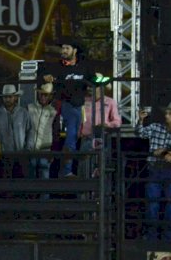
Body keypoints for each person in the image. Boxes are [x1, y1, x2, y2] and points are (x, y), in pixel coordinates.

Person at [40, 37, 95, 177]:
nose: (63, 51)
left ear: (74, 51)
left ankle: (66, 171)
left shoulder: (85, 66)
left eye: (67, 48)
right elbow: (41, 75)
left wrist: (96, 84)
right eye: (62, 48)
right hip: (60, 104)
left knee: (73, 138)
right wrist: (45, 77)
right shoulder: (56, 66)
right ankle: (64, 171)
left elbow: (95, 81)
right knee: (64, 137)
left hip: (78, 106)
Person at [135, 102, 171, 241]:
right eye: (166, 113)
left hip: (169, 169)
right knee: (154, 203)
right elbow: (141, 133)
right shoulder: (157, 127)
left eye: (170, 113)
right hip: (156, 168)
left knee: (169, 203)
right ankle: (155, 236)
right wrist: (140, 120)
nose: (166, 115)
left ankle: (166, 236)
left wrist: (162, 152)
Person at [0, 84, 35, 178]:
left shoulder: (24, 113)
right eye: (5, 97)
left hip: (21, 154)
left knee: (22, 181)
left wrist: (28, 148)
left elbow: (31, 131)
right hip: (4, 156)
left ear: (15, 97)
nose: (8, 99)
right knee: (6, 181)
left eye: (10, 97)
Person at [26, 83, 59, 180]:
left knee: (45, 178)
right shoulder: (29, 108)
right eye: (42, 94)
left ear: (50, 96)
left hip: (46, 150)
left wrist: (53, 152)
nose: (44, 97)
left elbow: (55, 133)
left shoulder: (54, 112)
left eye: (46, 95)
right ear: (38, 94)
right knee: (30, 178)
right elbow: (24, 129)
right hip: (30, 150)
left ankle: (44, 195)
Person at [81, 75, 122, 152]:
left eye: (92, 86)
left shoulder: (110, 102)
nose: (88, 88)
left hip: (102, 136)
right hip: (85, 137)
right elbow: (80, 119)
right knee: (85, 160)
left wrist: (106, 125)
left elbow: (117, 121)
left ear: (101, 88)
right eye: (88, 86)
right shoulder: (83, 101)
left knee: (98, 158)